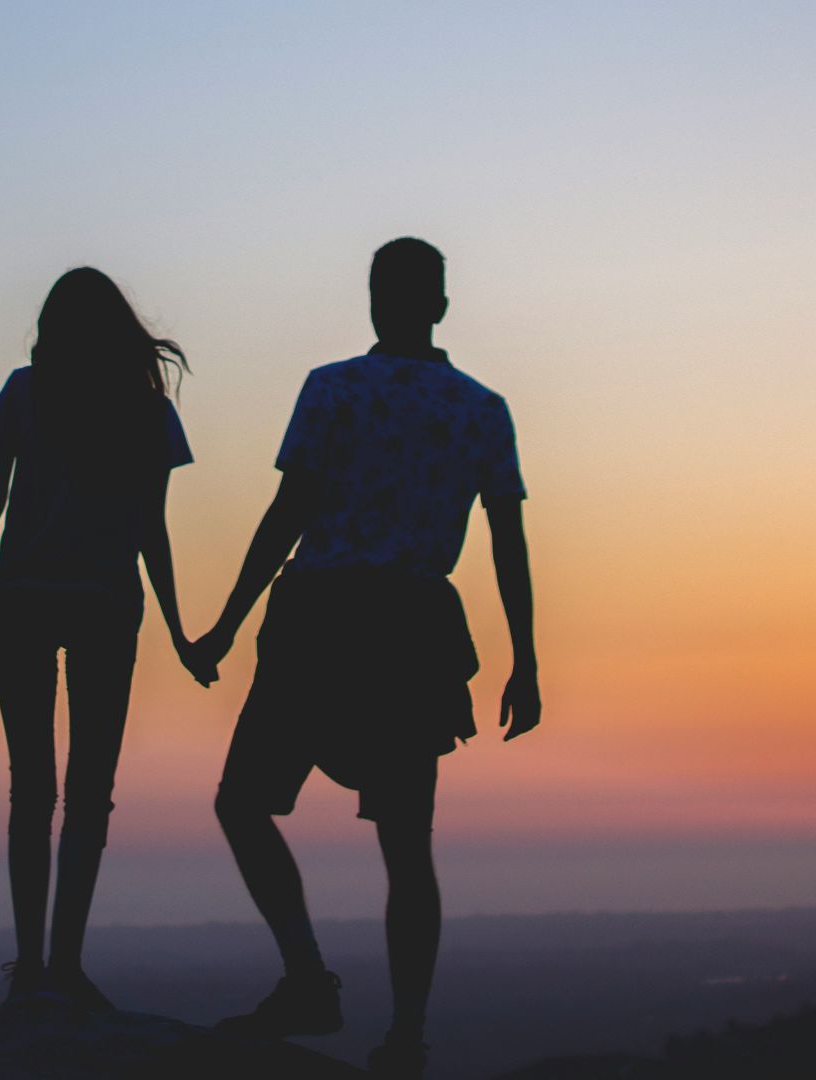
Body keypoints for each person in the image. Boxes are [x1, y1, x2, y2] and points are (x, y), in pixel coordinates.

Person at [189, 238, 541, 1079]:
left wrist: (228, 624)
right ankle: (407, 1037)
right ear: (442, 306)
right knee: (407, 846)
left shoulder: (333, 389)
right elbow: (508, 543)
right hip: (412, 630)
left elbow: (289, 513)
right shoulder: (480, 407)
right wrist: (525, 661)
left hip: (319, 617)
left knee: (243, 802)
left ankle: (309, 980)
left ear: (377, 301)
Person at [0, 267, 212, 1013]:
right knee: (89, 794)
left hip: (23, 599)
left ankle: (33, 967)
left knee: (33, 790)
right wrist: (182, 634)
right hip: (103, 606)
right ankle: (62, 965)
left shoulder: (27, 391)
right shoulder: (146, 412)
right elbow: (151, 530)